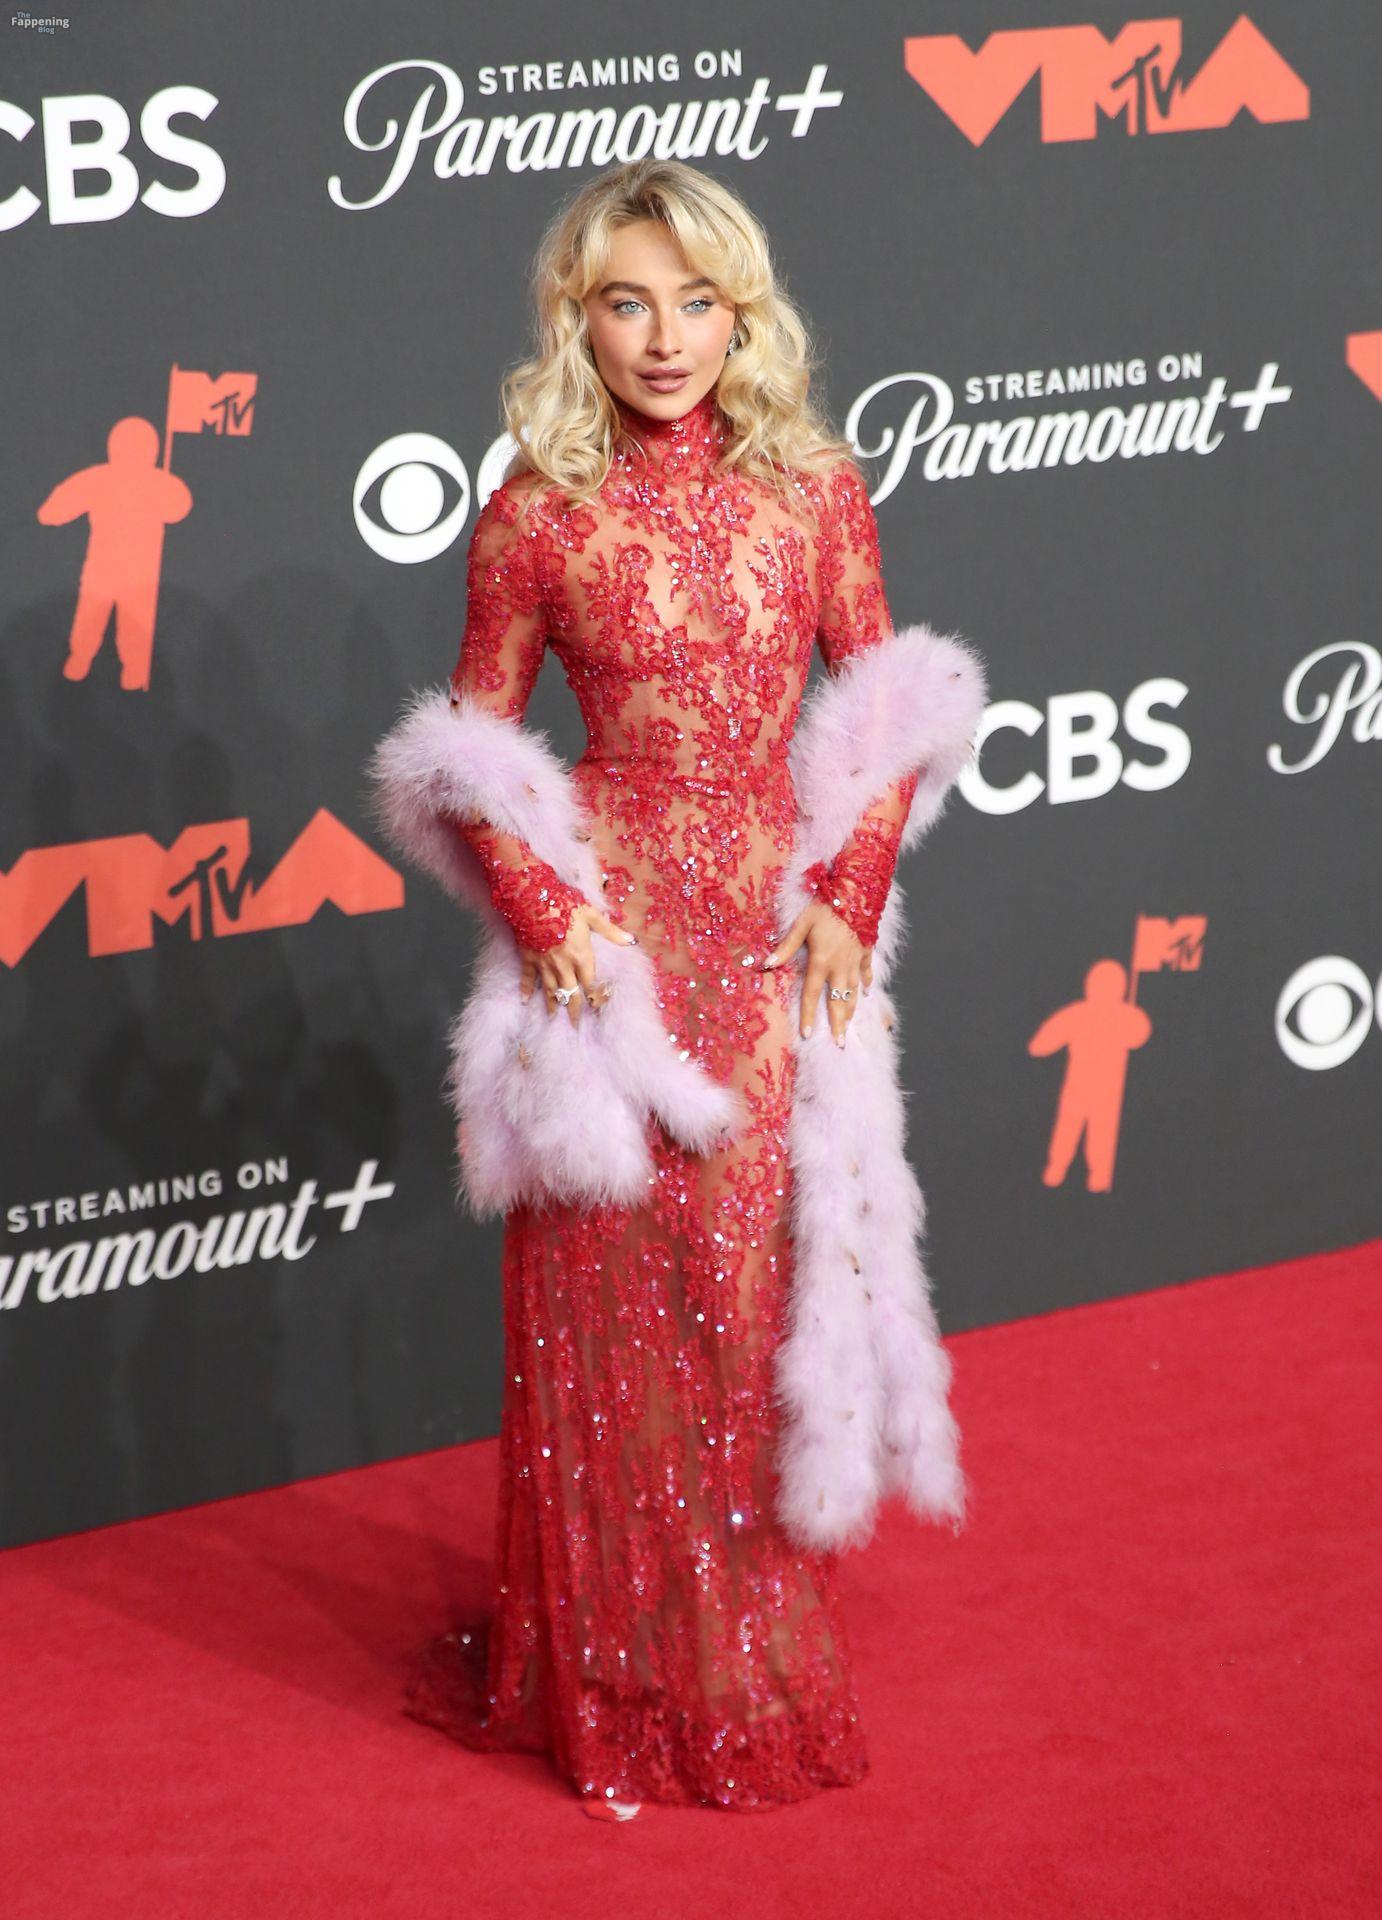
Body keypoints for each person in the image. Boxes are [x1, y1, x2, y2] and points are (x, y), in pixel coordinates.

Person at [367, 158, 987, 1819]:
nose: (663, 338)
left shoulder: (814, 488)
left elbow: (889, 711)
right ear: (576, 318)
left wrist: (853, 886)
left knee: (747, 1300)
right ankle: (611, 1667)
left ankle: (738, 1655)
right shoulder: (536, 513)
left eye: (695, 302)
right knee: (609, 1309)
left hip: (769, 938)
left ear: (740, 312)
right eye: (626, 303)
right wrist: (538, 903)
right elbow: (466, 753)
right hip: (613, 952)